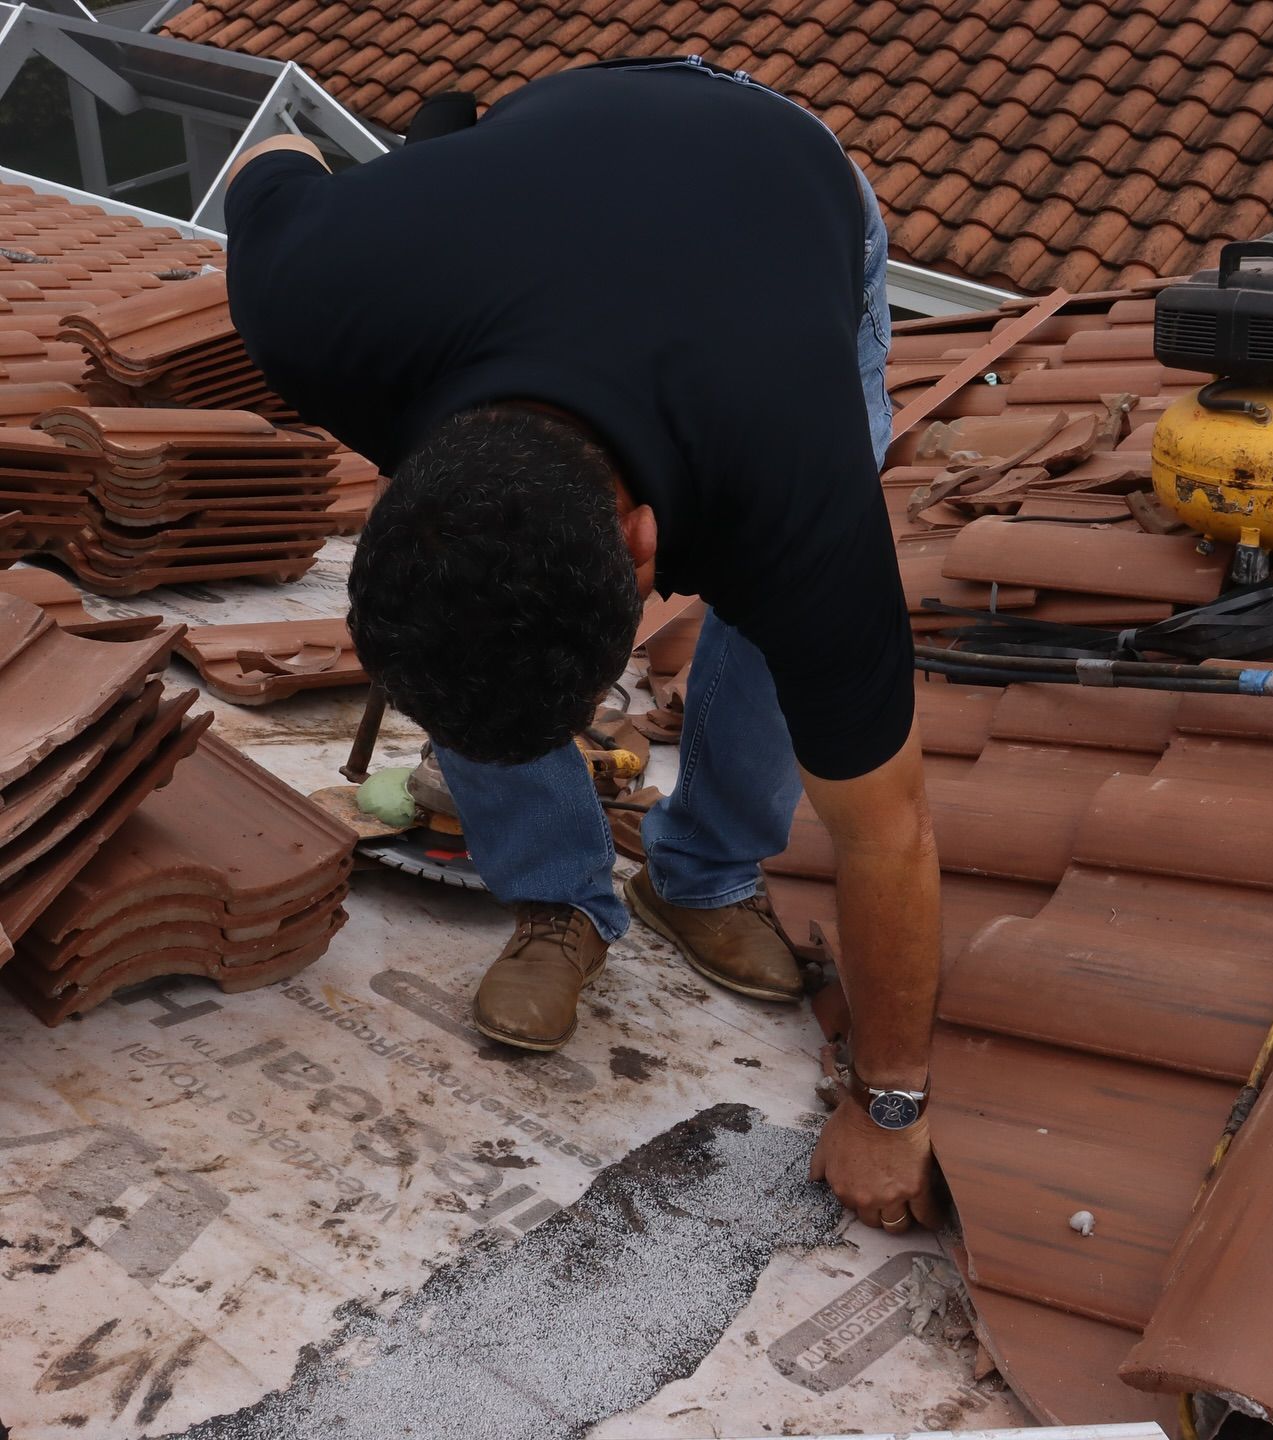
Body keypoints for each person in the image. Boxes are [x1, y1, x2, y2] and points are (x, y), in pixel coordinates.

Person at [224, 57, 942, 1232]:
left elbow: (891, 831)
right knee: (483, 616)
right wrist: (411, 173)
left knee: (781, 638)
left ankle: (705, 875)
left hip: (786, 188)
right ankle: (560, 895)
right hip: (548, 156)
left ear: (648, 541)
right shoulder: (318, 302)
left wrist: (892, 1104)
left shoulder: (793, 482)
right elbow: (264, 153)